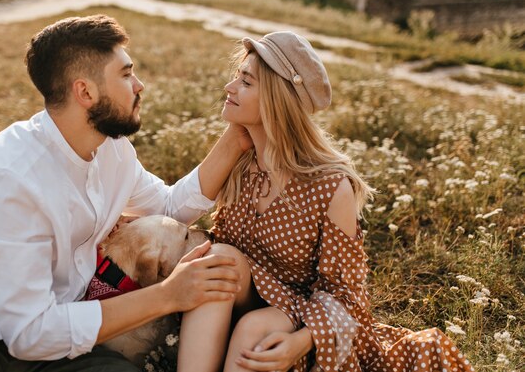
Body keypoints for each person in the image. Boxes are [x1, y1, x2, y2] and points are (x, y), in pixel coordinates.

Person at [0, 15, 249, 372]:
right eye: (126, 75)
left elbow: (168, 207)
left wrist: (237, 136)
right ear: (85, 92)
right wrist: (168, 295)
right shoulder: (8, 175)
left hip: (57, 335)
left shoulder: (113, 151)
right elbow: (29, 333)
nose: (139, 85)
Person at [177, 31, 474, 372]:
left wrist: (302, 341)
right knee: (218, 261)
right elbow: (186, 208)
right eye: (236, 77)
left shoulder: (329, 186)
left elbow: (347, 295)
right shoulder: (240, 162)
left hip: (301, 314)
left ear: (277, 99)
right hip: (242, 295)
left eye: (245, 82)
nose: (229, 88)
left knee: (255, 330)